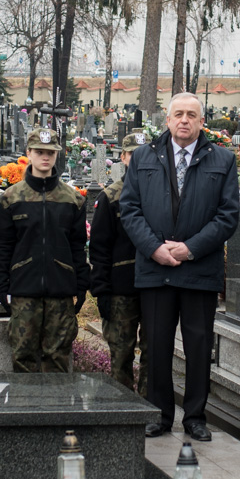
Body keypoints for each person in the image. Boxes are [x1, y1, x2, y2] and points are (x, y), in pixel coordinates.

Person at [120, 92, 240, 440]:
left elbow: (228, 215)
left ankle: (195, 417)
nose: (184, 120)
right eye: (178, 114)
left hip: (198, 269)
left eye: (191, 115)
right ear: (168, 120)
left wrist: (190, 249)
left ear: (202, 122)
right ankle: (159, 414)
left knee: (198, 347)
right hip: (156, 269)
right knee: (156, 346)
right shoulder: (143, 157)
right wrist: (154, 248)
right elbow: (130, 209)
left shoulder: (222, 159)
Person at [0, 128, 90, 372]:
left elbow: (78, 246)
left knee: (57, 359)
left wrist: (81, 285)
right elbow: (4, 245)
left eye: (50, 152)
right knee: (23, 359)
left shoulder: (73, 200)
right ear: (29, 153)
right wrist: (0, 284)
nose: (45, 157)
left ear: (57, 155)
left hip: (60, 291)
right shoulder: (11, 198)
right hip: (25, 290)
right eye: (39, 152)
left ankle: (55, 400)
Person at [89, 131, 150, 395]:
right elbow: (99, 248)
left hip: (154, 287)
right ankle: (122, 406)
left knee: (153, 353)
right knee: (121, 353)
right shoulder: (111, 197)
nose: (138, 159)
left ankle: (150, 406)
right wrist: (101, 290)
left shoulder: (161, 194)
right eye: (132, 154)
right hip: (120, 290)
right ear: (123, 157)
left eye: (143, 154)